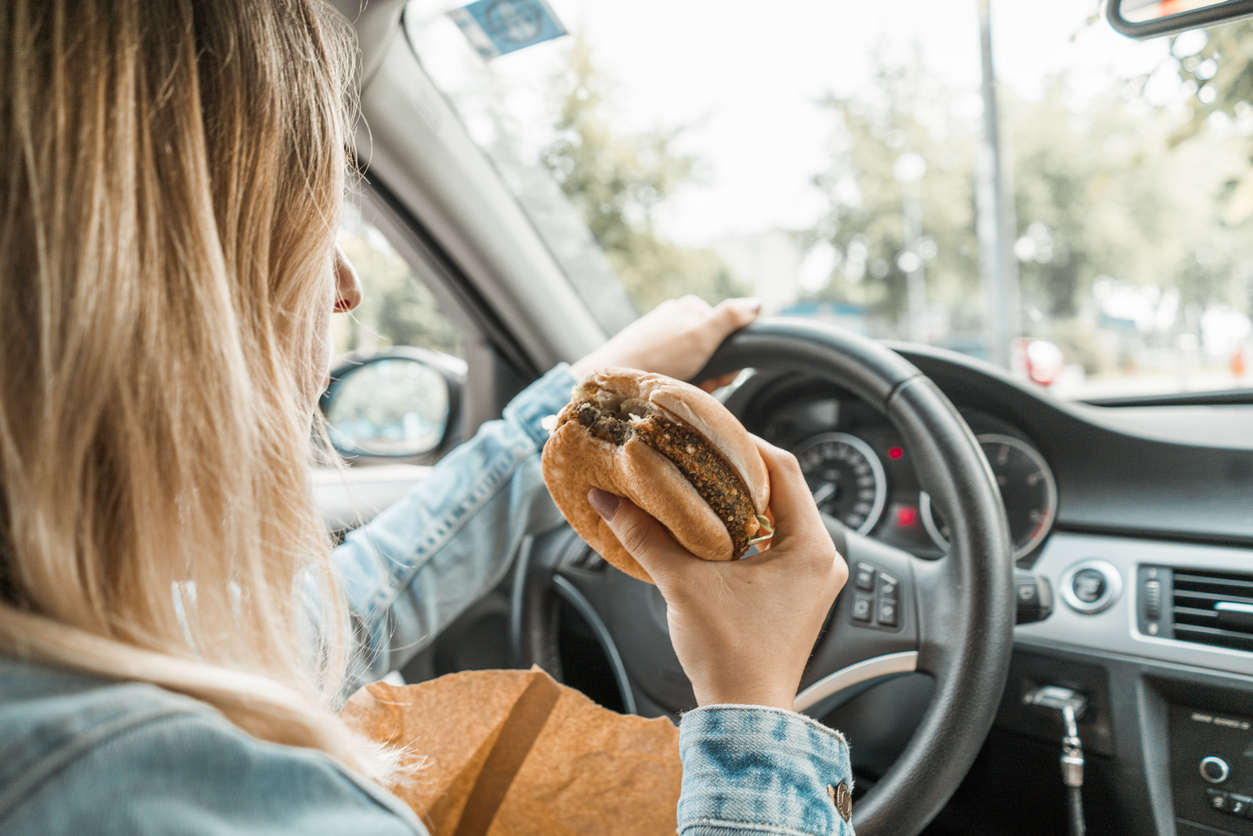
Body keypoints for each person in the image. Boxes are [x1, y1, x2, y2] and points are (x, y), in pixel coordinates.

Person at [0, 1, 852, 834]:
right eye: (302, 216)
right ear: (157, 276)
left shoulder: (69, 655)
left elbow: (341, 611)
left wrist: (585, 391)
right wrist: (751, 710)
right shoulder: (178, 788)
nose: (344, 287)